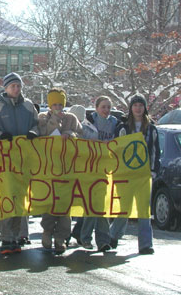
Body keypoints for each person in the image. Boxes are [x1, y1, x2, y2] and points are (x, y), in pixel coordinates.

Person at [0, 72, 39, 255]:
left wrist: (33, 132)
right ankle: (6, 237)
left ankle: (16, 236)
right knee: (7, 197)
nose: (16, 89)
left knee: (21, 199)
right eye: (13, 86)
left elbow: (38, 124)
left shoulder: (29, 106)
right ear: (5, 88)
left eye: (18, 86)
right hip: (4, 159)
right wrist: (0, 135)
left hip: (24, 159)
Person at [110, 93, 159, 255]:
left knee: (144, 210)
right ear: (131, 108)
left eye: (141, 105)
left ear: (145, 108)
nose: (138, 108)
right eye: (135, 105)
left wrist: (153, 170)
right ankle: (113, 235)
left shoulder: (151, 128)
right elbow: (116, 149)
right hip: (126, 174)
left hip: (144, 175)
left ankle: (145, 244)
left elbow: (155, 151)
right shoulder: (123, 127)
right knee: (124, 208)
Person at [37, 89, 82, 254]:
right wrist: (55, 120)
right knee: (49, 203)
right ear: (49, 105)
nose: (58, 107)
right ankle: (47, 231)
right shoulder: (43, 118)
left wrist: (70, 134)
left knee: (65, 205)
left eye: (60, 104)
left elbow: (81, 135)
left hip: (67, 169)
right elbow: (41, 136)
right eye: (54, 104)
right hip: (48, 168)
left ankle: (61, 238)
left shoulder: (71, 118)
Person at [78, 96, 118, 252]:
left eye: (108, 107)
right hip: (90, 169)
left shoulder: (114, 124)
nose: (106, 110)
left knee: (102, 206)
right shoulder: (87, 124)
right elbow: (80, 143)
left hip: (106, 169)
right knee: (91, 205)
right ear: (96, 108)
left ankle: (102, 240)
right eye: (103, 107)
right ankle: (85, 238)